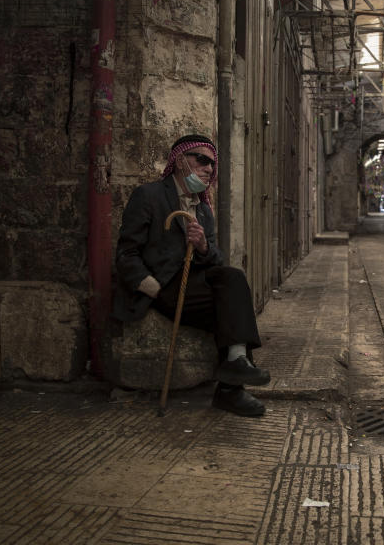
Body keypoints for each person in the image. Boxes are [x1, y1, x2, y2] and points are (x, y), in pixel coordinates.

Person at [113, 134, 270, 416]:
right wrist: (153, 288)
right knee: (231, 306)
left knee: (232, 281)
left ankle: (234, 370)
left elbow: (215, 261)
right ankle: (232, 387)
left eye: (213, 164)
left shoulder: (203, 209)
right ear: (180, 161)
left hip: (192, 284)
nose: (209, 168)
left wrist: (202, 246)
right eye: (202, 160)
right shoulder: (149, 196)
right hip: (162, 288)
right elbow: (126, 255)